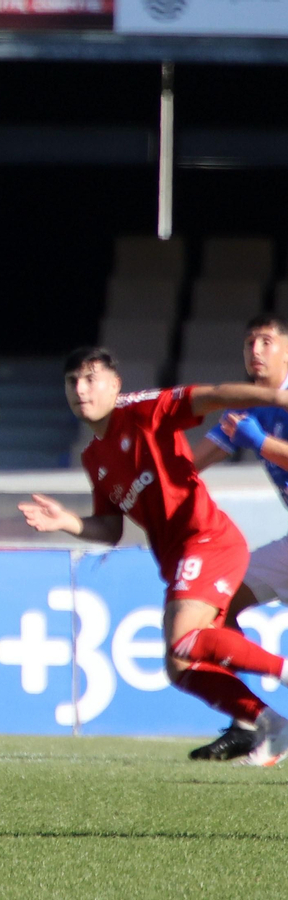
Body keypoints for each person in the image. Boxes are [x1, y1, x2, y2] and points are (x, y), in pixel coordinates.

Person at [19, 346, 288, 766]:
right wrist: (67, 521)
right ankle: (270, 724)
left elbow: (214, 394)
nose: (80, 390)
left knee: (183, 636)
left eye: (91, 379)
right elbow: (109, 530)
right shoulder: (95, 457)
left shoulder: (147, 409)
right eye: (72, 381)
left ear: (115, 385)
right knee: (180, 665)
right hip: (179, 557)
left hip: (207, 539)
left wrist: (275, 398)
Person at [183, 312, 288, 760]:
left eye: (266, 341)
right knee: (217, 605)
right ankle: (252, 721)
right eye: (249, 343)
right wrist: (144, 484)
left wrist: (259, 442)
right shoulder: (244, 406)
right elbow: (192, 463)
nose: (256, 351)